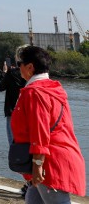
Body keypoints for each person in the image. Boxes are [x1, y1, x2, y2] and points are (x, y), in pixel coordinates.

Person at [10, 45, 86, 204]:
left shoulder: (34, 93)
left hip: (49, 163)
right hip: (59, 157)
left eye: (19, 64)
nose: (18, 69)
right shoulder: (54, 90)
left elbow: (40, 130)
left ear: (30, 67)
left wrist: (38, 165)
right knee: (33, 199)